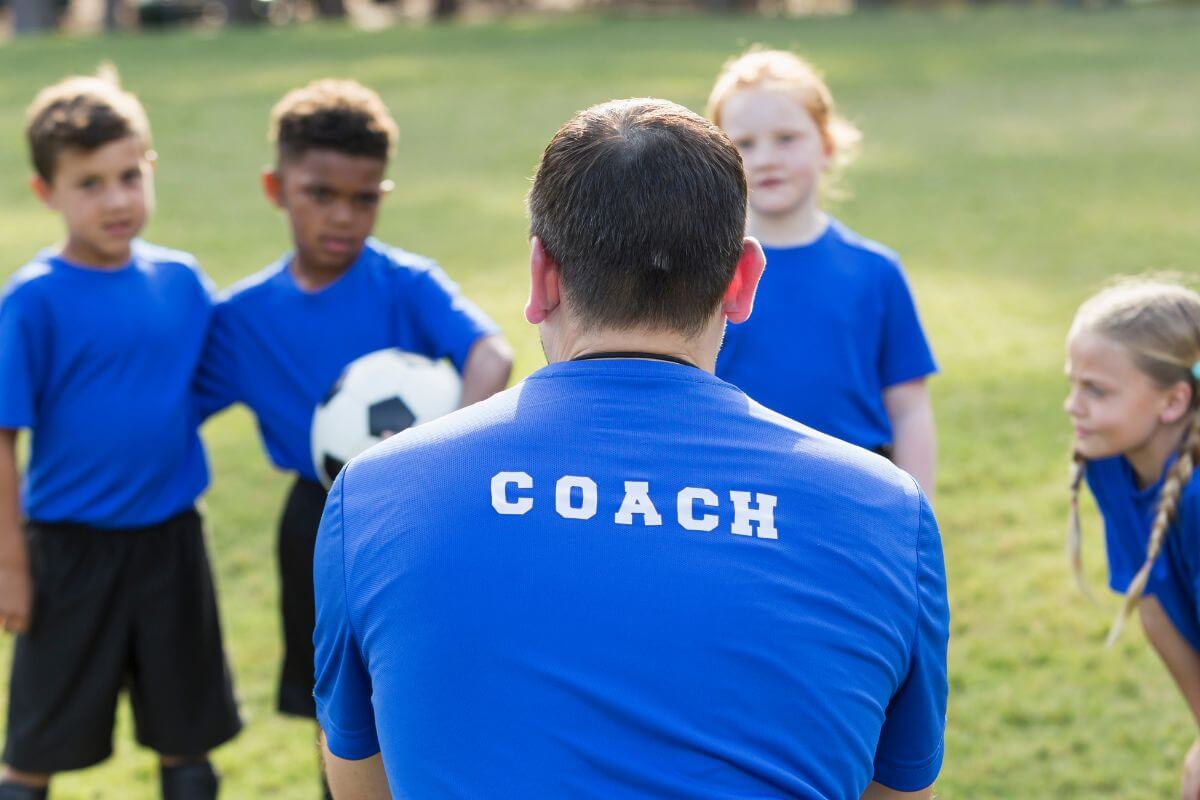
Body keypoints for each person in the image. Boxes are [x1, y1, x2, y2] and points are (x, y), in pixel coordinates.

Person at [312, 97, 948, 800]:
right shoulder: (886, 512)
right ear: (742, 281)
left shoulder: (375, 493)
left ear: (541, 275)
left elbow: (360, 782)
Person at [194, 78, 511, 794]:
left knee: (423, 674)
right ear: (277, 188)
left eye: (364, 197)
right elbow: (173, 405)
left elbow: (489, 354)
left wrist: (442, 456)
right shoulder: (241, 316)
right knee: (335, 702)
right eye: (321, 193)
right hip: (316, 519)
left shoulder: (405, 283)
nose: (343, 215)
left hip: (419, 510)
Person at [0, 70, 240, 800]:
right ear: (48, 192)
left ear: (151, 168)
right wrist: (11, 566)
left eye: (129, 176)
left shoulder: (182, 282)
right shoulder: (32, 300)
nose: (116, 199)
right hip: (68, 552)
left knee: (187, 734)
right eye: (90, 183)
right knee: (36, 741)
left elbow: (224, 374)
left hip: (172, 542)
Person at [706, 49, 938, 497]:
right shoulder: (704, 271)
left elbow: (909, 408)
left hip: (854, 499)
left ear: (828, 147)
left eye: (787, 138)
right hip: (737, 500)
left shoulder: (875, 272)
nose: (767, 158)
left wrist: (918, 516)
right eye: (745, 144)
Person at [1064, 278, 1200, 798]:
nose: (1071, 406)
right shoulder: (1110, 466)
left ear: (1174, 401)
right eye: (1073, 383)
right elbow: (1154, 607)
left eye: (1095, 390)